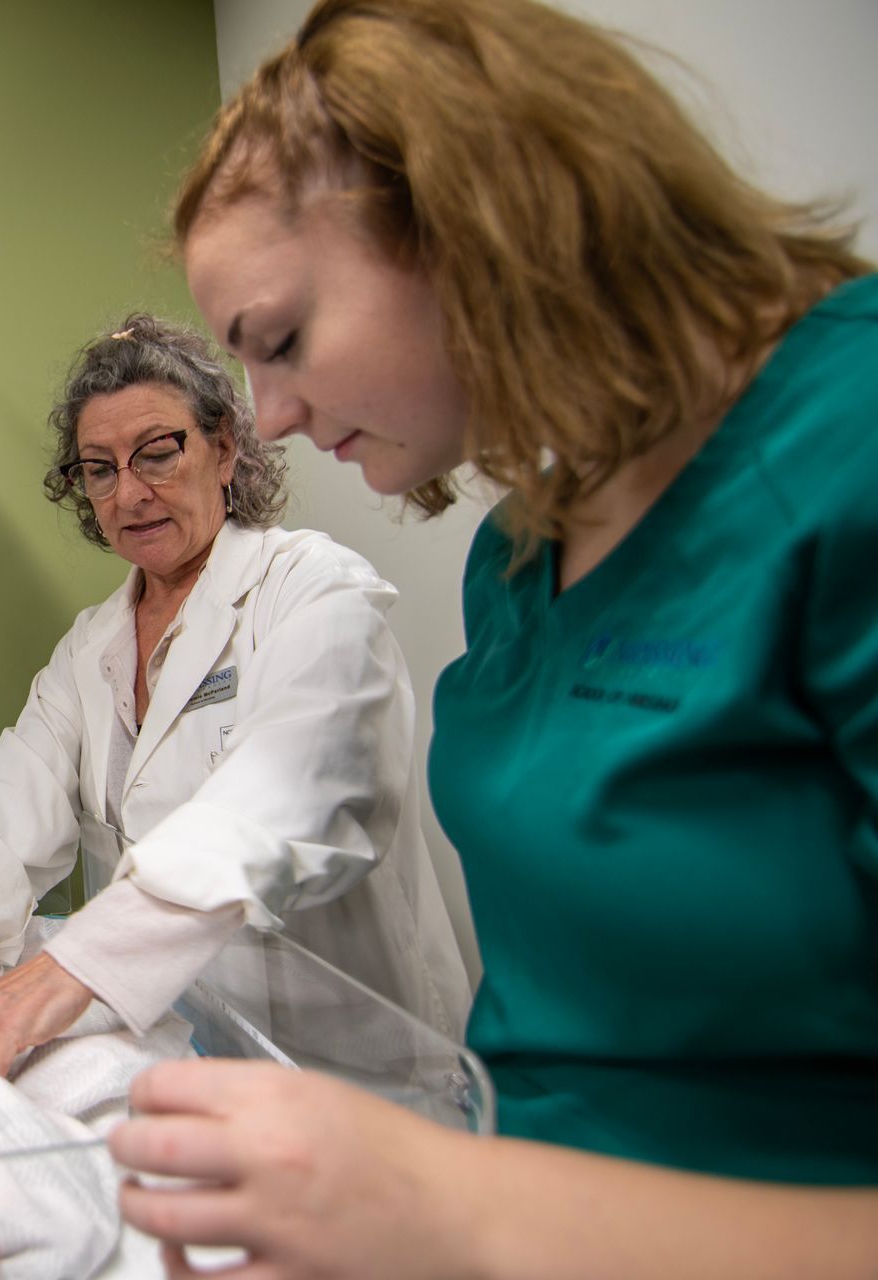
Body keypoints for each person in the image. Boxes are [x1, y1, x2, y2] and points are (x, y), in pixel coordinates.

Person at [111, 0, 878, 1274]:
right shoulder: (523, 552)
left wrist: (445, 1201)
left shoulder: (844, 447)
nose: (280, 417)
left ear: (475, 221)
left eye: (284, 341)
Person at [0, 313, 469, 1074]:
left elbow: (294, 790)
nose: (129, 493)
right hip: (185, 1047)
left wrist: (84, 961)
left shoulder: (312, 592)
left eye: (157, 454)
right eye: (99, 468)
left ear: (225, 448)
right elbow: (19, 789)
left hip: (353, 1065)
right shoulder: (93, 644)